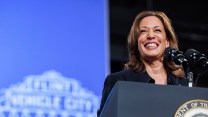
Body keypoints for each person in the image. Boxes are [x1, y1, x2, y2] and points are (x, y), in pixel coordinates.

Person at [97, 10, 189, 116]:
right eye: (143, 31)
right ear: (136, 42)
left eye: (157, 30)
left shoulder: (183, 85)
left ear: (167, 42)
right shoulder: (117, 81)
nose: (150, 35)